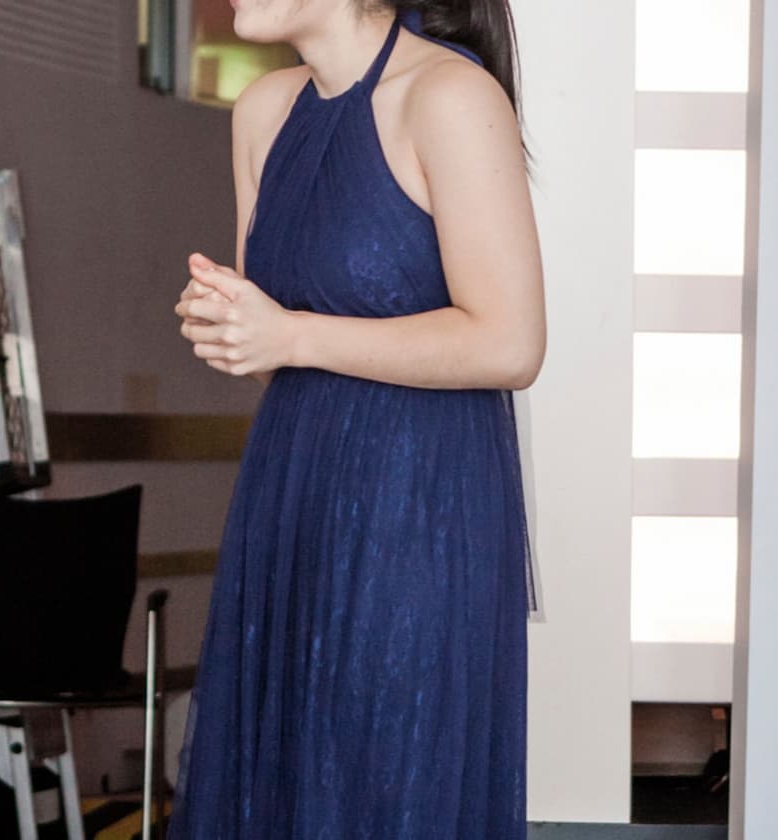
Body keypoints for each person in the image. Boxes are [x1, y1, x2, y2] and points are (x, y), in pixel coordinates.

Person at [170, 0, 542, 836]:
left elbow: (510, 343)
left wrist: (289, 332)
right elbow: (273, 348)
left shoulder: (450, 97)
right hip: (292, 495)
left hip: (417, 507)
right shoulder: (262, 112)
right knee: (283, 781)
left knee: (382, 780)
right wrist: (233, 322)